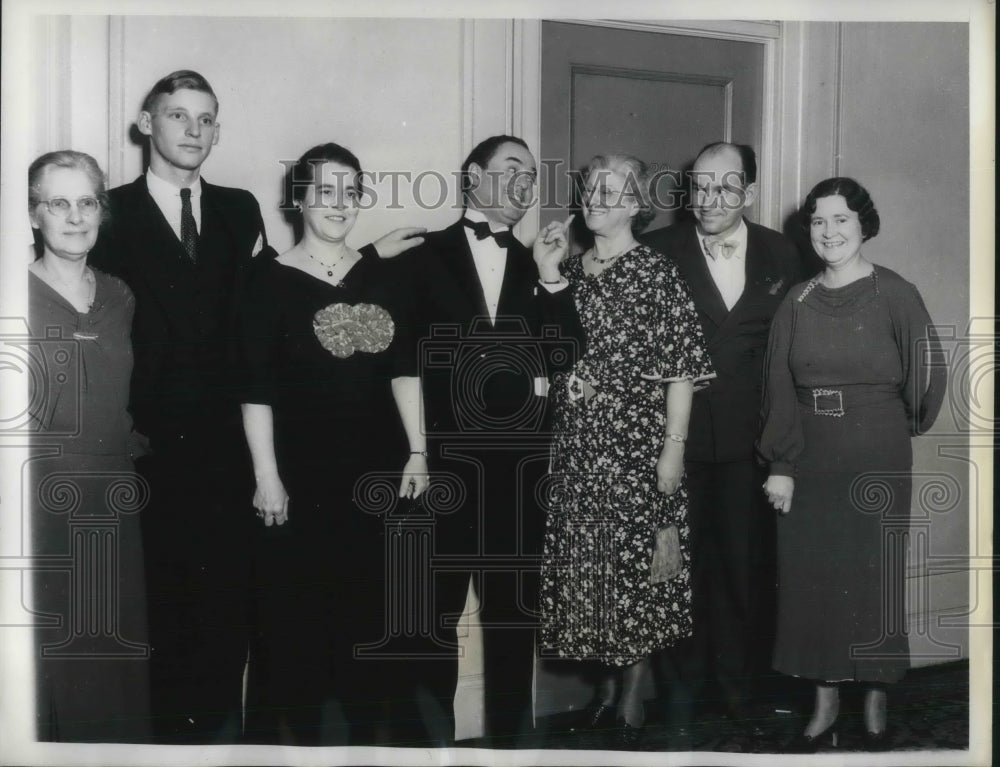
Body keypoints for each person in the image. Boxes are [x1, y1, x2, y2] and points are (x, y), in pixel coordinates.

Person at [87, 69, 425, 743]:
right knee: (161, 619)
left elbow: (286, 304)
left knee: (235, 623)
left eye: (206, 118)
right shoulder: (111, 212)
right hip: (148, 451)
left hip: (233, 451)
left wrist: (366, 261)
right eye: (178, 115)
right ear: (146, 124)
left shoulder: (240, 209)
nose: (193, 130)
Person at [394, 135, 584, 746]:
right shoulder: (421, 256)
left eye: (532, 175)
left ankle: (512, 749)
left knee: (512, 618)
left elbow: (564, 356)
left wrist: (554, 281)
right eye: (512, 171)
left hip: (518, 470)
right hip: (441, 466)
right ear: (474, 176)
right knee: (431, 620)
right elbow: (399, 362)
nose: (526, 184)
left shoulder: (538, 263)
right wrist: (417, 451)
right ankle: (431, 753)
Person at [237, 142, 429, 746]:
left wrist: (419, 450)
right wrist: (268, 477)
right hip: (300, 478)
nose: (340, 204)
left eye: (351, 192)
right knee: (296, 629)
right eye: (325, 191)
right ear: (299, 199)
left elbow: (404, 371)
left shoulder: (384, 276)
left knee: (369, 623)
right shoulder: (265, 280)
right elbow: (255, 390)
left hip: (375, 475)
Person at [758, 177, 946, 753]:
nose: (829, 231)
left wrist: (891, 425)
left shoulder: (895, 293)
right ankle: (825, 696)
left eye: (841, 219)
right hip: (809, 453)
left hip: (875, 449)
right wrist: (781, 463)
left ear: (864, 225)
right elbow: (778, 388)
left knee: (871, 575)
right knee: (812, 577)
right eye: (818, 220)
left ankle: (877, 691)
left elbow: (927, 377)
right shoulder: (797, 301)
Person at [538, 154, 714, 748]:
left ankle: (633, 691)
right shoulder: (566, 268)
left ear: (639, 204)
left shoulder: (658, 272)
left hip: (639, 448)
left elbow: (681, 373)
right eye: (590, 189)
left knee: (641, 570)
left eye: (612, 191)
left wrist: (674, 450)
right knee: (596, 569)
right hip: (578, 448)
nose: (596, 198)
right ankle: (608, 688)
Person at [641, 142, 803, 730]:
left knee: (743, 572)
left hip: (748, 448)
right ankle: (679, 702)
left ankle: (739, 697)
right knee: (674, 572)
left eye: (724, 187)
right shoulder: (657, 252)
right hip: (669, 447)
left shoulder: (783, 254)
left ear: (748, 194)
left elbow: (795, 357)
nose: (708, 199)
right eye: (699, 186)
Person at [26, 150, 150, 741]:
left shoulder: (121, 297)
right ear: (35, 215)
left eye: (87, 202)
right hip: (39, 505)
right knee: (52, 662)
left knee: (112, 657)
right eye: (58, 203)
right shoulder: (12, 292)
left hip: (114, 497)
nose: (74, 217)